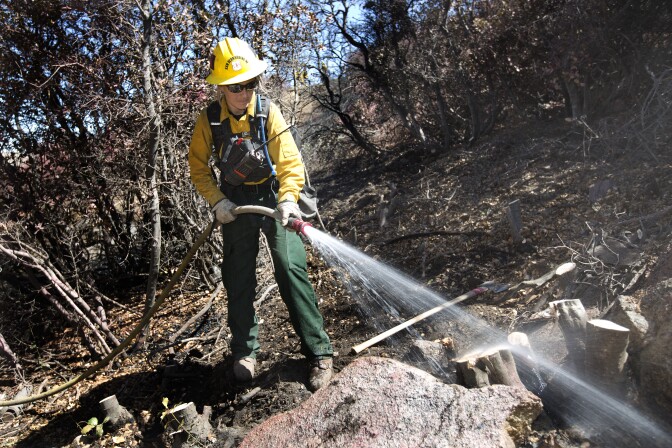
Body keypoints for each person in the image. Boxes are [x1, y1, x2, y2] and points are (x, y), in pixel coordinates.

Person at [188, 37, 334, 391]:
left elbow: (290, 161)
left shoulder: (269, 112)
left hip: (273, 197)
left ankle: (318, 351)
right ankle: (244, 353)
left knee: (290, 265)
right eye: (237, 86)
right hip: (235, 203)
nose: (244, 92)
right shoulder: (208, 121)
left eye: (251, 83)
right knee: (238, 276)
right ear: (222, 86)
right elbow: (198, 167)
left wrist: (287, 199)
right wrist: (217, 201)